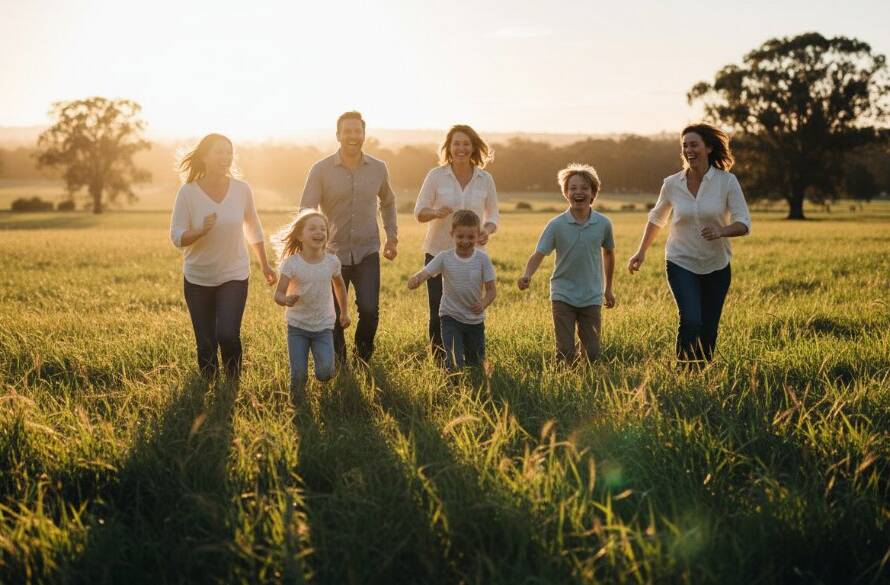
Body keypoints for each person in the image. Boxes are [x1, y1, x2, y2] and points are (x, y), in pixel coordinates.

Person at [627, 123, 751, 365]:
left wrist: (721, 231)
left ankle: (700, 373)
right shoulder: (672, 183)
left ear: (709, 148)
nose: (688, 150)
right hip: (680, 260)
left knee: (709, 326)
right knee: (691, 319)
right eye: (684, 146)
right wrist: (640, 252)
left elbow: (744, 223)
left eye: (694, 144)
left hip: (717, 264)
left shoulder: (727, 182)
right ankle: (684, 372)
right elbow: (656, 218)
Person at [169, 133, 276, 380]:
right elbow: (176, 236)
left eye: (228, 152)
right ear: (204, 157)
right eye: (219, 151)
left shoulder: (241, 189)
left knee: (228, 334)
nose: (225, 156)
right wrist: (199, 232)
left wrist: (265, 265)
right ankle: (208, 389)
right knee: (206, 344)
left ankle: (232, 384)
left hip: (234, 274)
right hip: (198, 278)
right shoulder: (187, 193)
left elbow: (253, 227)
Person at [299, 111, 398, 363]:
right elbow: (306, 208)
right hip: (330, 254)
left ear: (364, 134)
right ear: (338, 135)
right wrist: (309, 243)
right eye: (347, 131)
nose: (353, 136)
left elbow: (388, 202)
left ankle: (363, 358)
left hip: (367, 251)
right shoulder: (320, 170)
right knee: (331, 313)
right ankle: (339, 362)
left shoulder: (378, 168)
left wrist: (392, 237)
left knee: (369, 310)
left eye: (357, 131)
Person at [414, 125, 499, 359]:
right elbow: (419, 212)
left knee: (471, 307)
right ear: (449, 148)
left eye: (466, 144)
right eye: (456, 144)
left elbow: (492, 215)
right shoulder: (436, 175)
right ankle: (442, 360)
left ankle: (471, 357)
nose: (461, 148)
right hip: (438, 252)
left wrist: (487, 230)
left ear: (473, 148)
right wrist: (435, 212)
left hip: (472, 257)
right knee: (438, 310)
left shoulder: (485, 179)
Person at [518, 164, 615, 363]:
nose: (578, 192)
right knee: (564, 352)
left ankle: (586, 384)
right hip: (563, 294)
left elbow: (609, 254)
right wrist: (527, 274)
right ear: (566, 193)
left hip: (592, 295)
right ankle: (564, 385)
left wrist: (608, 289)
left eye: (584, 188)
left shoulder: (603, 224)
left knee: (593, 354)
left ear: (593, 193)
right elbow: (539, 253)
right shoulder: (556, 225)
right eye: (573, 188)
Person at [407, 210, 496, 371]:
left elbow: (491, 291)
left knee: (475, 362)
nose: (465, 241)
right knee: (454, 359)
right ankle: (452, 385)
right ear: (452, 234)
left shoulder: (482, 260)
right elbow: (426, 272)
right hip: (450, 317)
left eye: (470, 237)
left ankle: (475, 387)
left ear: (478, 236)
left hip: (474, 320)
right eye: (460, 236)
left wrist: (483, 304)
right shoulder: (444, 257)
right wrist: (416, 279)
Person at [272, 209, 350, 393]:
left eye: (323, 229)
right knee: (298, 377)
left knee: (325, 372)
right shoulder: (291, 264)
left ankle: (320, 369)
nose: (319, 232)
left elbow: (339, 286)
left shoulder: (332, 262)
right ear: (300, 235)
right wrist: (286, 299)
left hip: (323, 326)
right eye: (313, 228)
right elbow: (278, 294)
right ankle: (297, 407)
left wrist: (344, 312)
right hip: (297, 326)